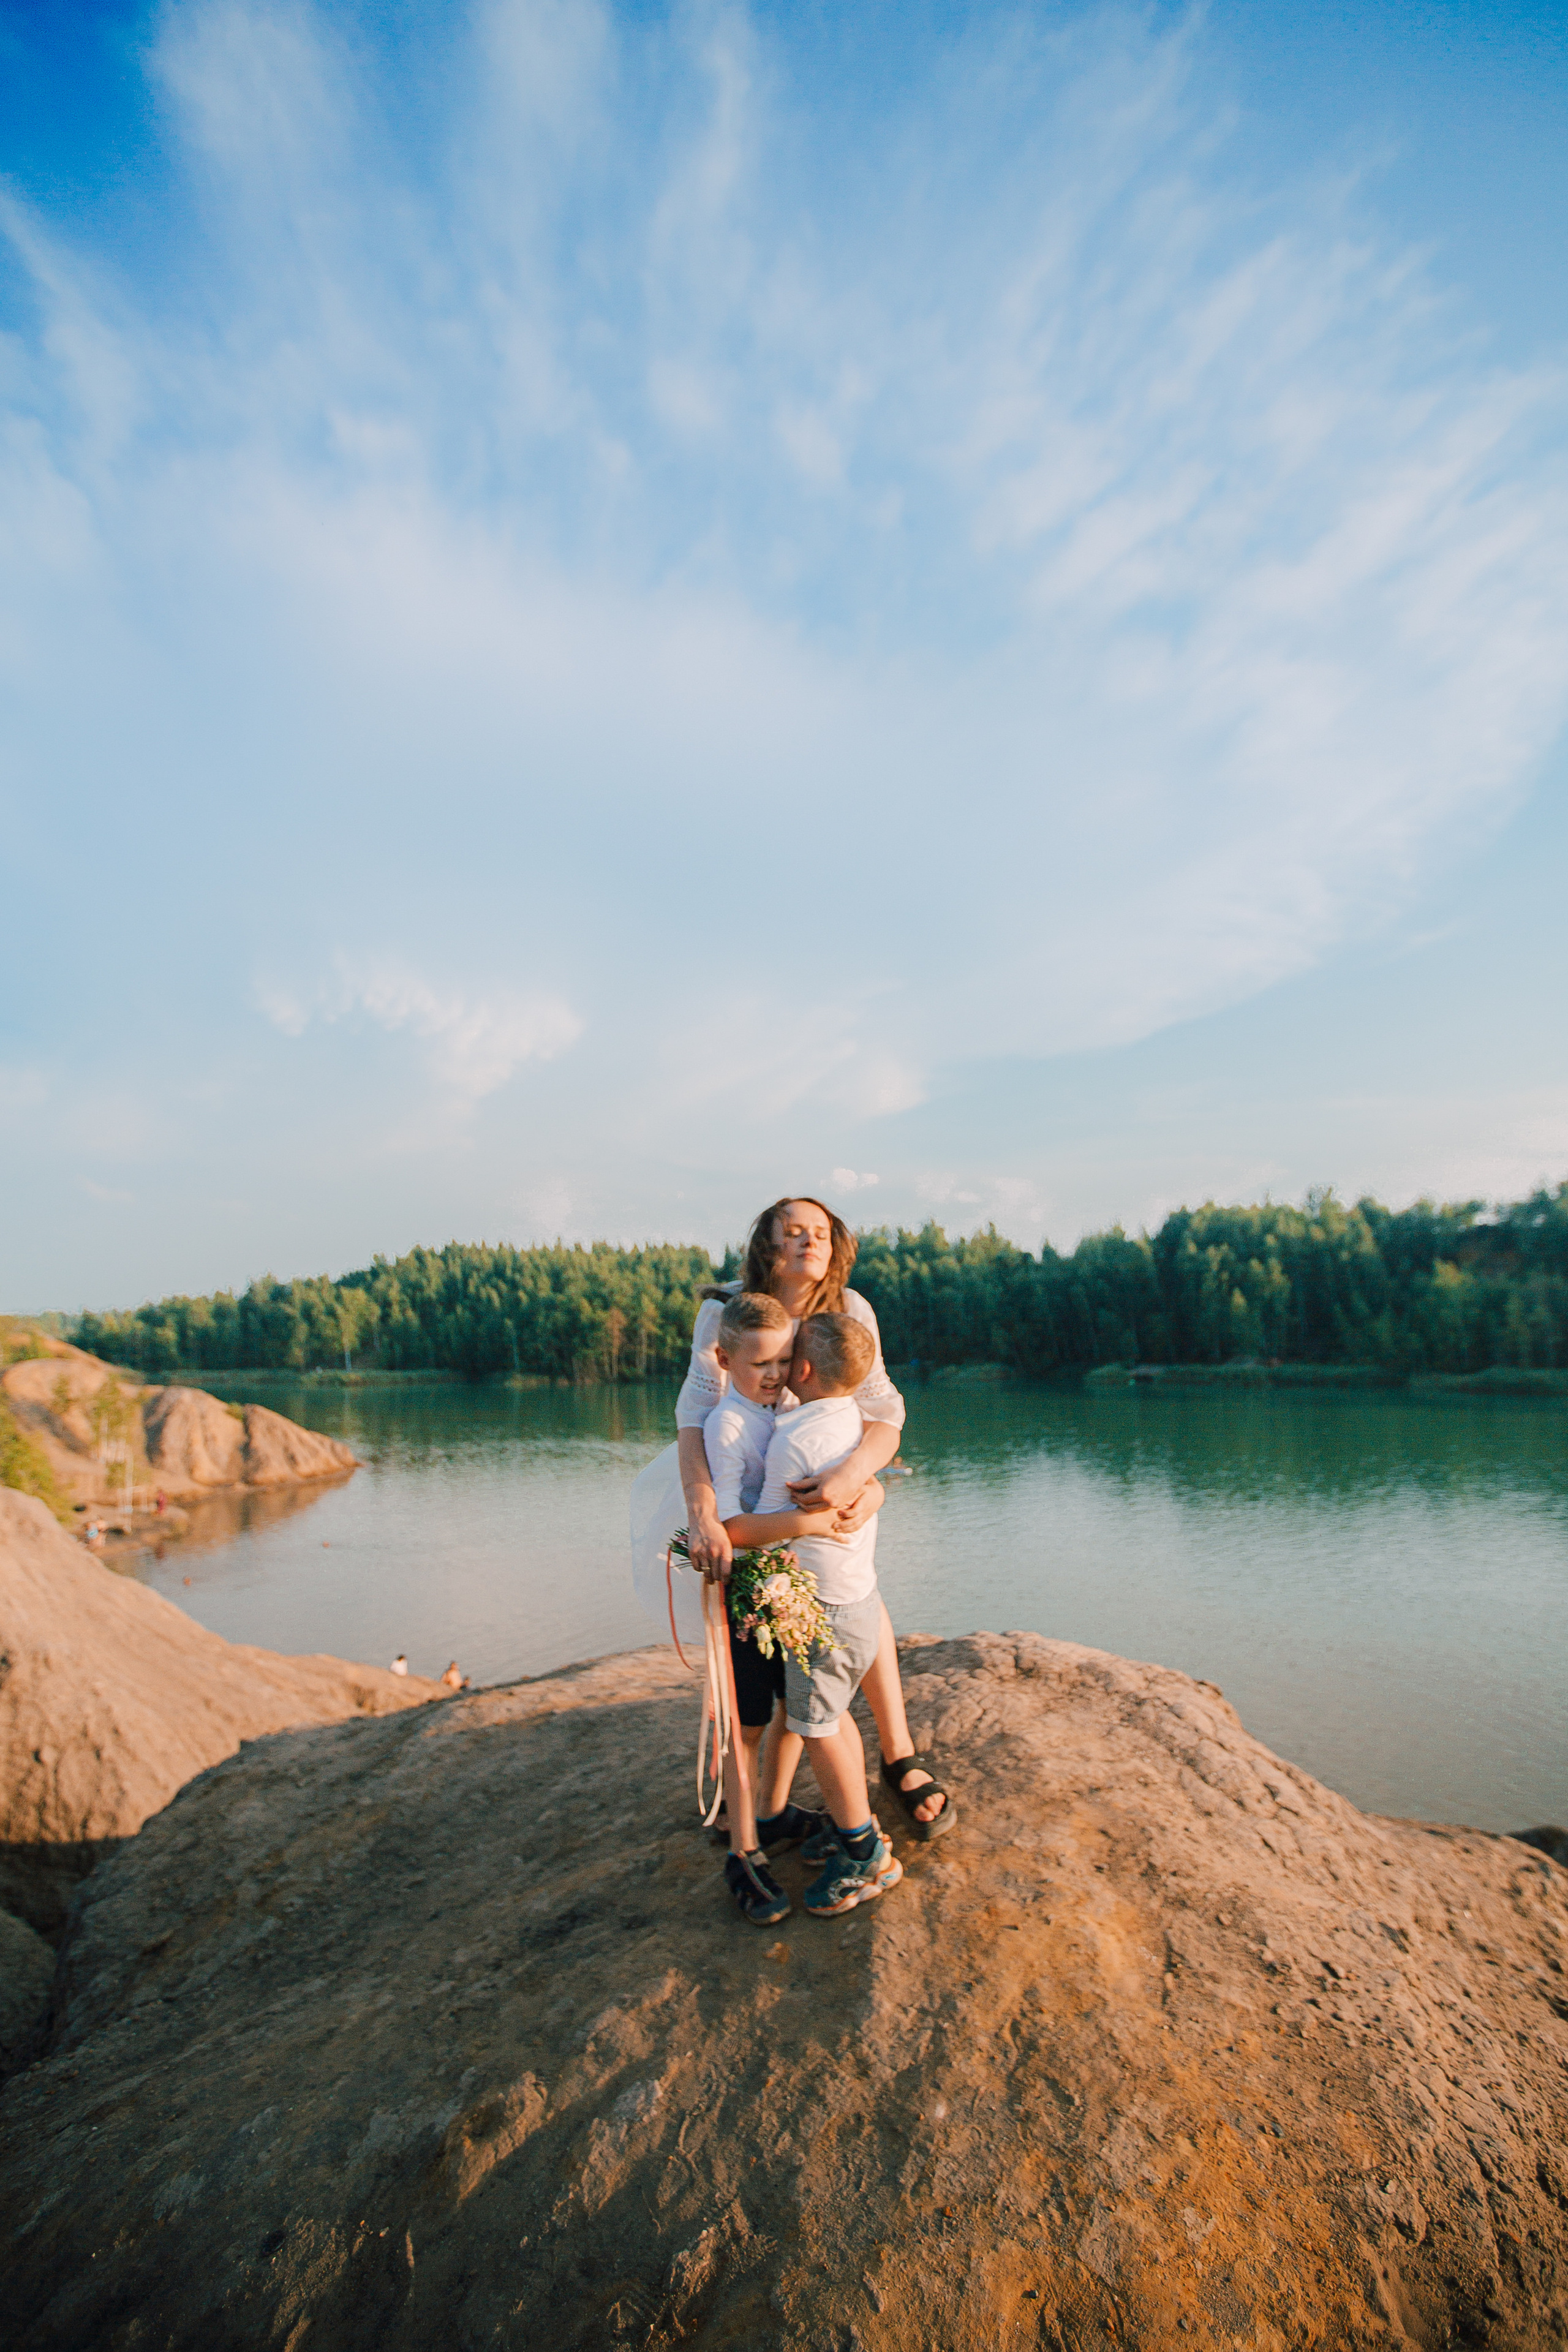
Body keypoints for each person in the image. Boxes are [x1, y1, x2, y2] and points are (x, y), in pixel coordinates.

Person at [676, 1195, 955, 1842]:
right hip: (738, 1485)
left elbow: (885, 1408)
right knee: (767, 1653)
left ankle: (898, 1754)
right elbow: (695, 1410)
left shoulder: (851, 1310)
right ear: (766, 1245)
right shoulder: (724, 1313)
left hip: (829, 1483)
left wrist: (858, 1478)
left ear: (837, 1246)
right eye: (792, 1232)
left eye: (821, 1234)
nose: (808, 1242)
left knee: (857, 1596)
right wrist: (701, 1510)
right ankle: (757, 1810)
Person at [701, 1290, 886, 1924]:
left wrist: (871, 1493)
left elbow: (841, 1473)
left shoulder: (790, 1417)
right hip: (771, 1590)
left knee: (808, 1719)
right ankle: (750, 1842)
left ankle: (839, 1838)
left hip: (805, 1600)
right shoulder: (735, 1423)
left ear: (800, 1369)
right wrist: (808, 1526)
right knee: (758, 1719)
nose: (776, 1375)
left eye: (784, 1361)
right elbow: (731, 1525)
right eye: (763, 1365)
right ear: (726, 1362)